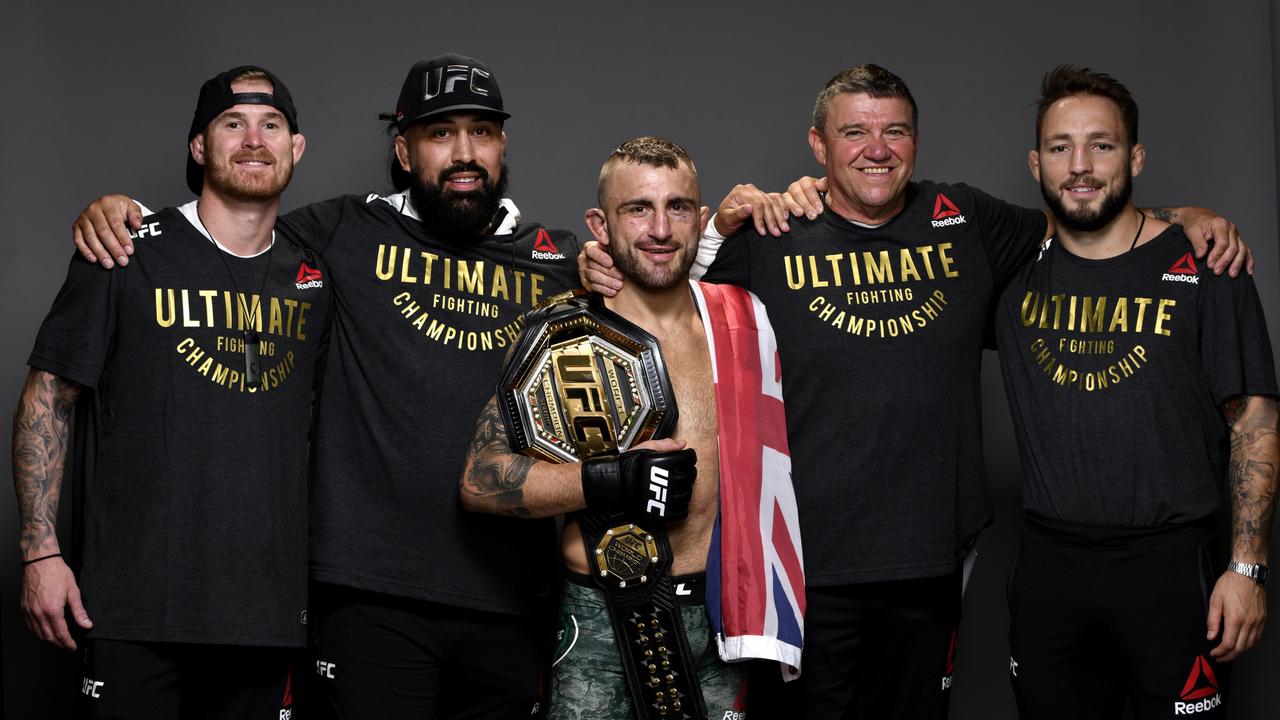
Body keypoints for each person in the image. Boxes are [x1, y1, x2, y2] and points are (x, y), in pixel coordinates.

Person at [579, 64, 1251, 719]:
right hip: (808, 566)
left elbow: (1086, 215)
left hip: (931, 560)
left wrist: (1183, 216)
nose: (877, 150)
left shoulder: (968, 220)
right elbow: (665, 292)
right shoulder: (776, 233)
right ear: (819, 144)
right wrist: (604, 262)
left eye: (895, 132)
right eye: (855, 133)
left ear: (916, 142)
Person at [69, 53, 586, 718]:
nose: (464, 152)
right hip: (369, 594)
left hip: (511, 595)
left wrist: (733, 224)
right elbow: (234, 216)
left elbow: (660, 266)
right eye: (440, 133)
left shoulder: (558, 258)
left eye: (482, 132)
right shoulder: (345, 230)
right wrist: (125, 212)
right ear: (404, 150)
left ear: (502, 145)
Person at [13, 65, 327, 719]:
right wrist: (40, 552)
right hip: (134, 604)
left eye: (272, 125)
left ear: (295, 149)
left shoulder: (317, 277)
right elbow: (48, 396)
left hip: (264, 613)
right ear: (198, 147)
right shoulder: (126, 250)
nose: (253, 140)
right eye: (231, 124)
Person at [460, 137, 804, 719]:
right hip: (599, 618)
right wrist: (608, 479)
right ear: (600, 223)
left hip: (725, 618)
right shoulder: (562, 335)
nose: (661, 228)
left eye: (677, 207)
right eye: (637, 208)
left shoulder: (745, 322)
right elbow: (480, 481)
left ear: (700, 218)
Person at [994, 65, 1277, 720]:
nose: (1081, 165)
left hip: (1174, 566)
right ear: (1036, 163)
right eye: (1061, 147)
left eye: (1103, 144)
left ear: (1136, 156)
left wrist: (1248, 568)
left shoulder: (1208, 263)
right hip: (1049, 566)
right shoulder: (1009, 270)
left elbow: (1253, 420)